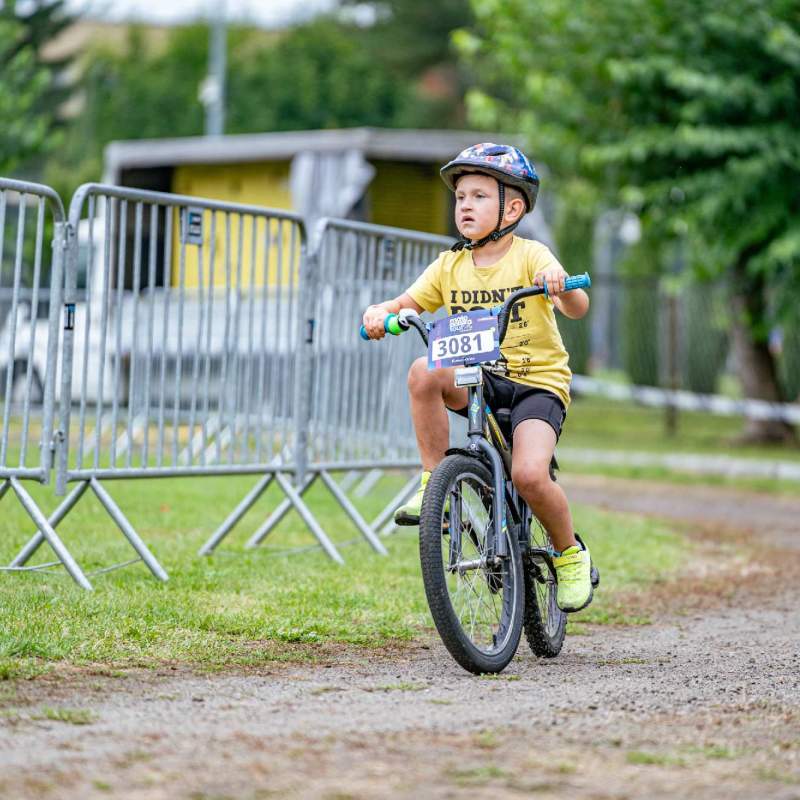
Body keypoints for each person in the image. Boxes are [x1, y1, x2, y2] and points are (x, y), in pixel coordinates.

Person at [361, 143, 593, 612]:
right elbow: (406, 305)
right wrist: (379, 312)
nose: (464, 205)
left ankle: (570, 554)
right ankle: (434, 484)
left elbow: (577, 306)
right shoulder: (449, 265)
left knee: (528, 474)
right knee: (423, 370)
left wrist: (558, 284)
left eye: (479, 196)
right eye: (460, 196)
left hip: (536, 384)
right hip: (478, 381)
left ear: (512, 207)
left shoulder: (530, 255)